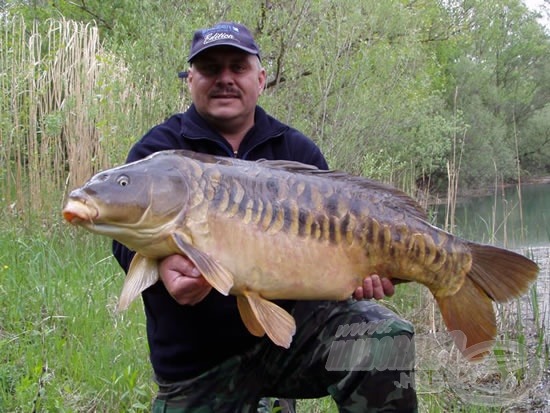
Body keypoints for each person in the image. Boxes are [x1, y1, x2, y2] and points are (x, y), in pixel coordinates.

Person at [113, 22, 418, 413]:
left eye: (237, 68)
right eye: (210, 68)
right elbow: (123, 233)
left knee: (382, 337)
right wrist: (165, 263)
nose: (225, 79)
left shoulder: (295, 149)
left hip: (288, 345)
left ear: (260, 79)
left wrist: (358, 276)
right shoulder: (160, 150)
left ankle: (275, 398)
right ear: (190, 79)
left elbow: (338, 242)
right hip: (197, 365)